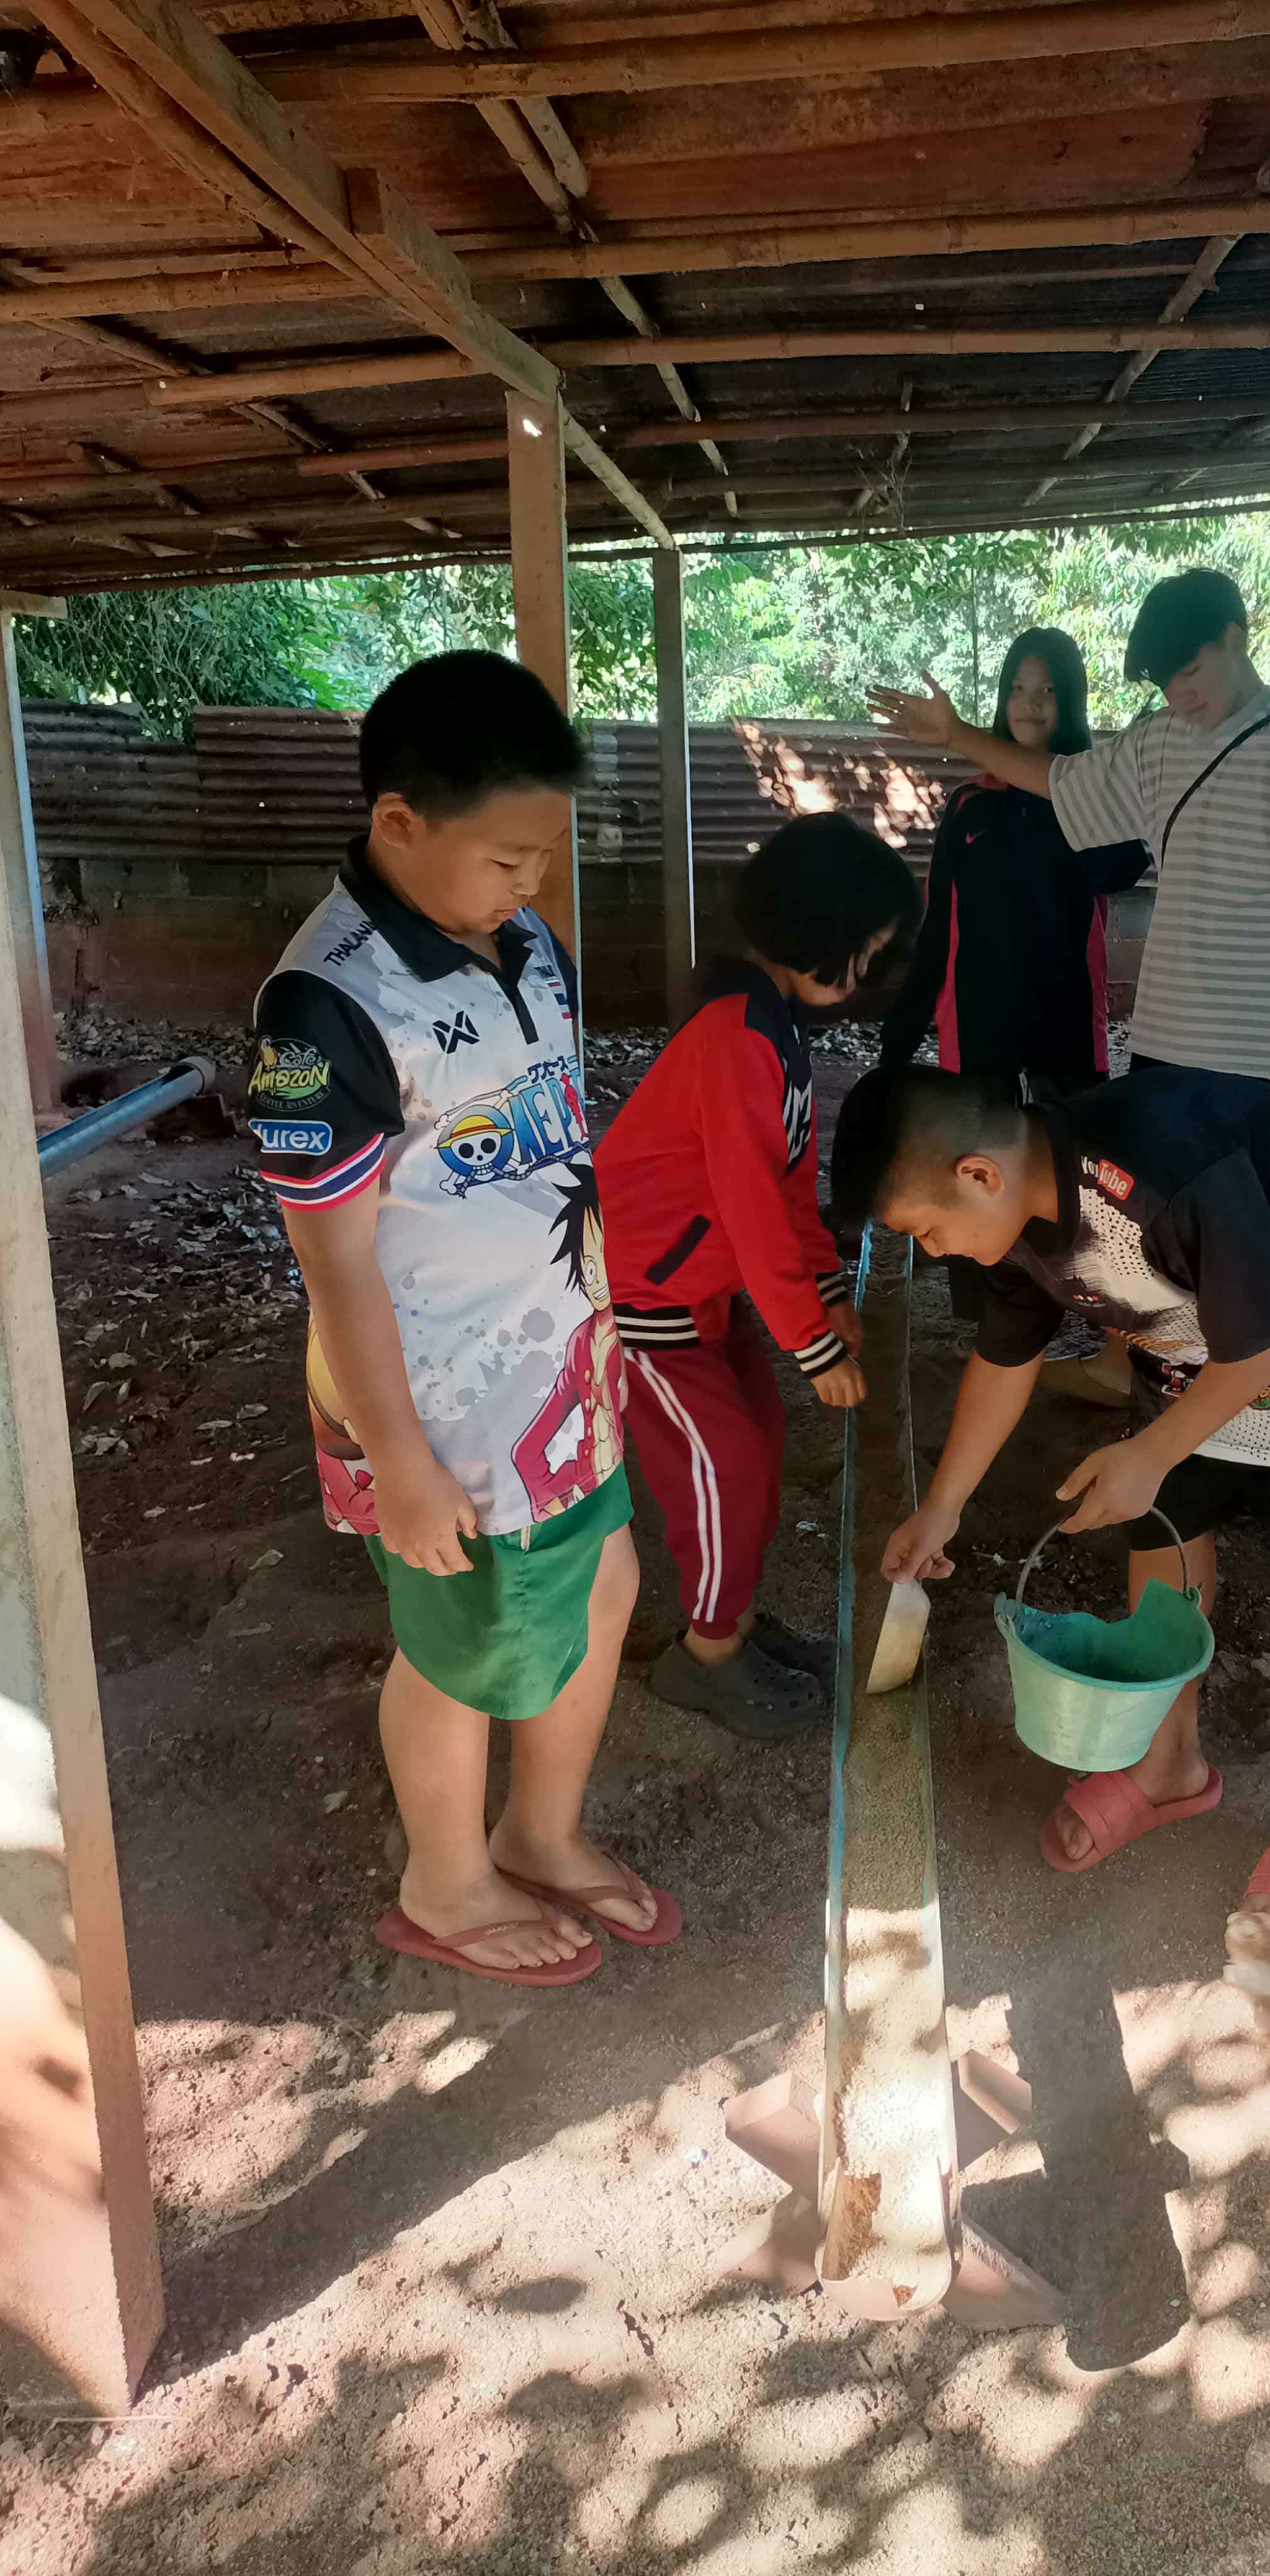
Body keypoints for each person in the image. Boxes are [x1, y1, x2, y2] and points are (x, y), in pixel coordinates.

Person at [250, 650, 672, 1990]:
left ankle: (539, 1831)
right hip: (442, 1412)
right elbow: (338, 1265)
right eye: (507, 856)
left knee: (604, 1584)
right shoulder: (325, 1010)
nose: (532, 883)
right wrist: (404, 1462)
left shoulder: (526, 943)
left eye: (547, 853)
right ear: (397, 824)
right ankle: (443, 1879)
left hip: (561, 1373)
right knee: (458, 1648)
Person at [829, 1062, 1270, 1949]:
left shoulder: (1159, 1162)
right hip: (1195, 1319)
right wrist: (943, 1506)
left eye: (929, 1232)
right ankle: (1169, 1761)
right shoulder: (1012, 1224)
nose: (938, 1252)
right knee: (1166, 1517)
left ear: (978, 1176)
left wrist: (1150, 1449)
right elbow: (1005, 1358)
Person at [869, 565, 1270, 1094]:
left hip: (1253, 1057)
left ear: (1235, 639)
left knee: (1235, 1237)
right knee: (1155, 1235)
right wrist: (957, 735)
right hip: (1160, 1041)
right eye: (1164, 683)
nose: (1177, 696)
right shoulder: (1156, 741)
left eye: (1188, 673)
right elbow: (1058, 780)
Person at [596, 813, 919, 1739]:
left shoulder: (772, 1031)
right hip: (644, 1298)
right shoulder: (738, 1035)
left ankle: (727, 1619)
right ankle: (704, 1657)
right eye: (862, 949)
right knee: (725, 1465)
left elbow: (787, 1187)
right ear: (816, 926)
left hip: (702, 1288)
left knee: (757, 1449)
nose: (862, 973)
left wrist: (822, 1288)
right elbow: (746, 1204)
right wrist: (813, 1342)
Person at [878, 625, 1146, 1394]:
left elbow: (1124, 863)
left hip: (1066, 1040)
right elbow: (936, 938)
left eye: (1048, 690)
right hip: (983, 1043)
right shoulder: (968, 809)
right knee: (979, 1186)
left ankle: (1112, 1353)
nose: (1030, 703)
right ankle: (998, 1346)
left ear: (1070, 702)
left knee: (1088, 1197)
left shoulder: (1092, 801)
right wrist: (897, 1048)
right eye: (1018, 689)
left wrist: (1072, 785)